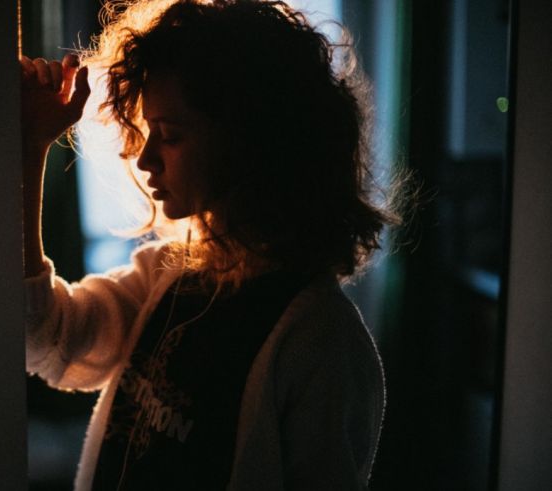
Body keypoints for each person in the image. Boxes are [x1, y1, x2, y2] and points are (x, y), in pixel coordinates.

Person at [20, 1, 401, 489]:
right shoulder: (166, 276)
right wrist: (31, 148)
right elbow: (47, 341)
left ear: (248, 140)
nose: (146, 159)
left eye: (170, 135)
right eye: (148, 131)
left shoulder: (321, 340)